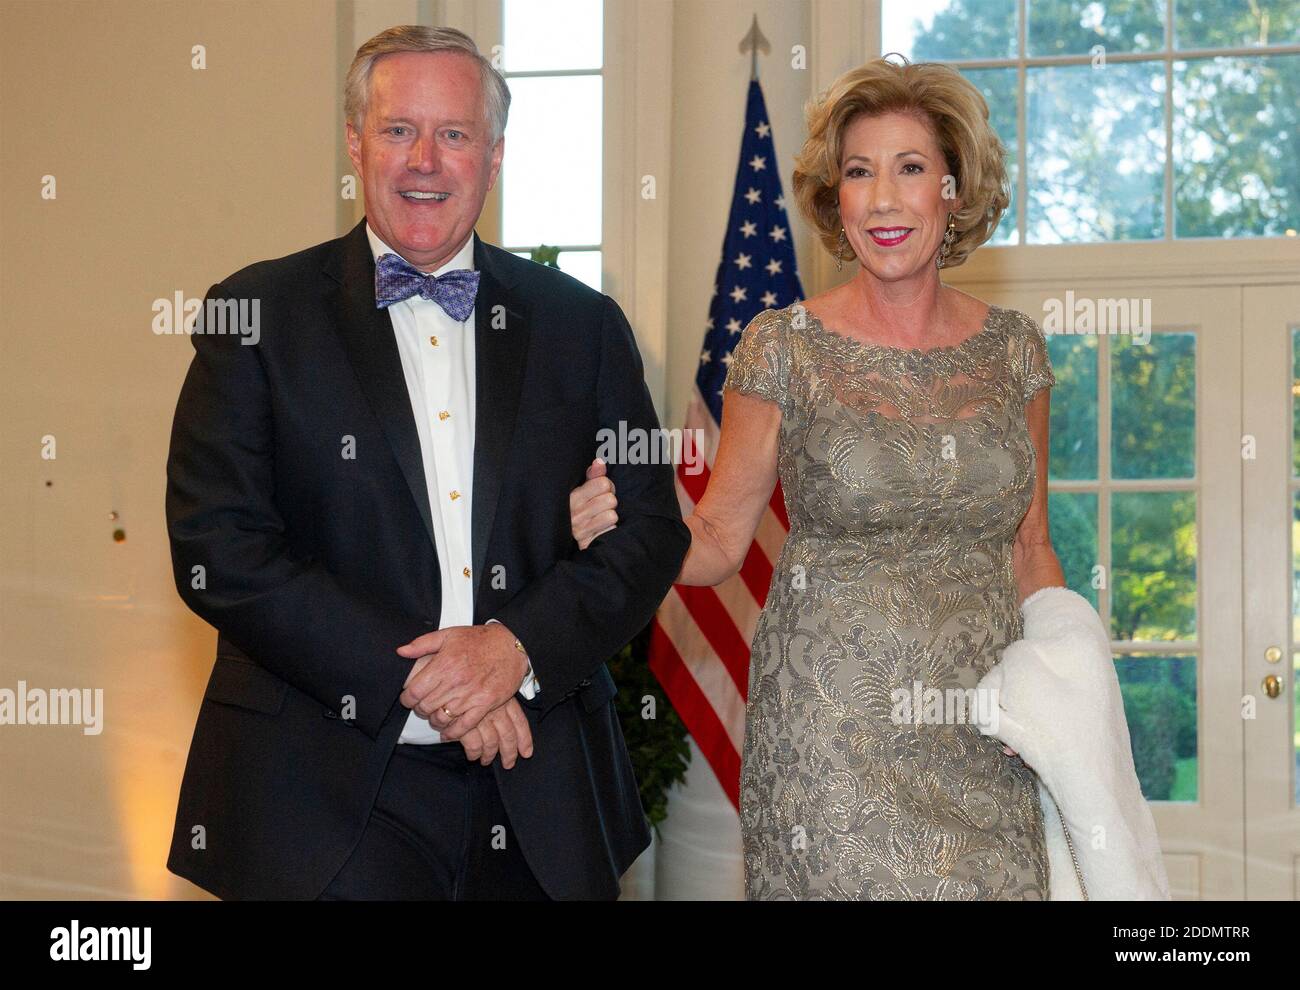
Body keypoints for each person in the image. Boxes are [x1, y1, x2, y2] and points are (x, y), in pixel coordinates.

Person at [165, 25, 689, 901]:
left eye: (453, 134)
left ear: (494, 155)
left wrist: (514, 650)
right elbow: (219, 546)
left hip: (541, 788)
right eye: (398, 129)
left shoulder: (582, 326)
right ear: (353, 142)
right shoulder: (253, 312)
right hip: (321, 802)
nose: (424, 161)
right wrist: (437, 679)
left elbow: (648, 534)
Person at [570, 57, 1064, 899]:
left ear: (954, 187)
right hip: (833, 741)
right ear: (837, 197)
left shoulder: (1014, 352)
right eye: (859, 172)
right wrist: (621, 524)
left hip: (988, 732)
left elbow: (1032, 545)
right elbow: (722, 537)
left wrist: (1059, 687)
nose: (882, 199)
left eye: (910, 169)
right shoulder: (782, 345)